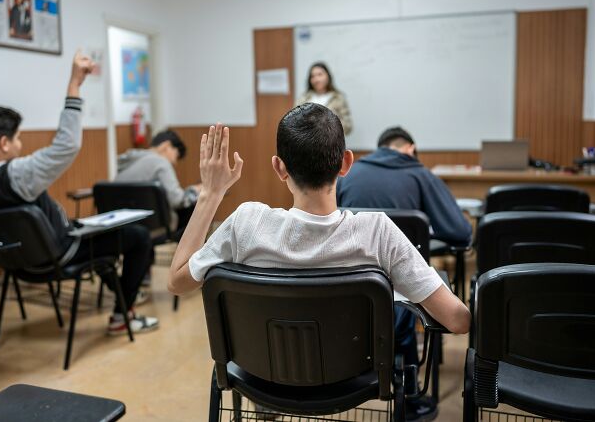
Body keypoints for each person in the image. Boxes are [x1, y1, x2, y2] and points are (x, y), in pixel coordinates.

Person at [167, 104, 470, 422]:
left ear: (279, 168)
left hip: (260, 375)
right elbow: (458, 321)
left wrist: (210, 194)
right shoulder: (378, 233)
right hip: (354, 380)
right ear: (346, 163)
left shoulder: (245, 224)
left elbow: (176, 281)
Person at [0, 52, 158, 335]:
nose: (20, 145)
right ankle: (122, 316)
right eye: (18, 138)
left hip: (16, 266)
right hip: (60, 254)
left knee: (100, 247)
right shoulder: (12, 175)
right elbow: (66, 146)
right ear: (5, 143)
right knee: (139, 237)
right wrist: (74, 84)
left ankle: (122, 305)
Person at [337, 127, 472, 245]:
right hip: (404, 271)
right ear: (410, 149)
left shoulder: (347, 174)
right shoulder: (422, 175)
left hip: (351, 268)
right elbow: (459, 231)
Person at [116, 130, 199, 235]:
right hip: (152, 227)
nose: (175, 163)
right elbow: (177, 201)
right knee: (194, 207)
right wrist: (194, 190)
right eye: (176, 155)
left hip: (119, 226)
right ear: (166, 146)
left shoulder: (124, 161)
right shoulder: (161, 162)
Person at [295, 62, 353, 135]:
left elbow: (348, 126)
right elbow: (294, 121)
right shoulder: (303, 98)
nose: (316, 79)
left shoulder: (338, 98)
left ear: (328, 76)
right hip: (307, 142)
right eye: (313, 76)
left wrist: (329, 127)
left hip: (331, 142)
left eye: (320, 74)